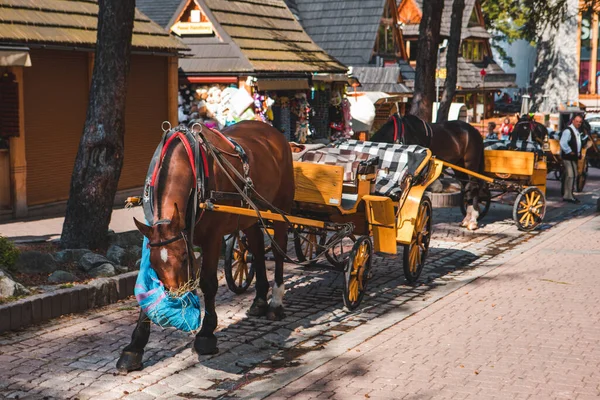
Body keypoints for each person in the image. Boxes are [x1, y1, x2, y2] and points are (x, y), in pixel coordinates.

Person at [560, 114, 588, 204]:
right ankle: (568, 196)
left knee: (574, 174)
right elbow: (563, 142)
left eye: (580, 122)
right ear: (573, 121)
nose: (579, 123)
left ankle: (568, 194)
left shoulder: (576, 130)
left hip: (574, 157)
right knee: (571, 175)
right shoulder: (568, 130)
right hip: (568, 157)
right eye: (577, 121)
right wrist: (569, 151)